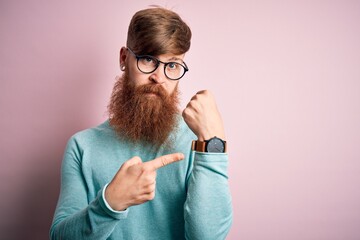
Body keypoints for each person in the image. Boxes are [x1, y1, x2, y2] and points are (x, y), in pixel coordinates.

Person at [50, 7, 232, 240]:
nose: (159, 76)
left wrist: (213, 143)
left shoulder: (198, 143)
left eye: (173, 65)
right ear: (124, 58)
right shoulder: (81, 147)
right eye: (148, 59)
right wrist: (110, 203)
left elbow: (207, 237)